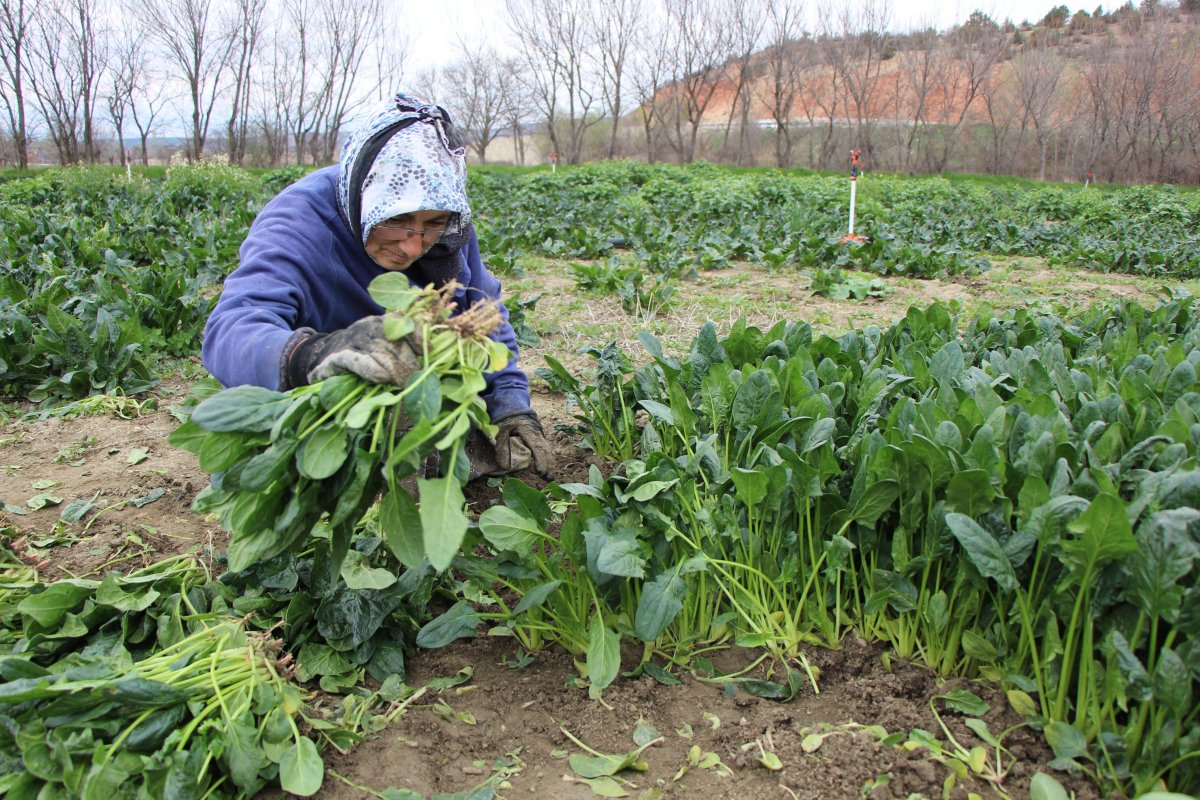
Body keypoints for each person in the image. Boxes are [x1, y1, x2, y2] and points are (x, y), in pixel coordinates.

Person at [201, 91, 552, 478]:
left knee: (462, 456)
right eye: (397, 220)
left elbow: (485, 315)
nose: (413, 245)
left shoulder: (448, 234)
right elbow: (230, 330)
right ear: (367, 197)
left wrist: (509, 403)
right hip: (318, 407)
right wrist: (313, 355)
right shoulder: (298, 224)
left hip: (411, 399)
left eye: (431, 224)